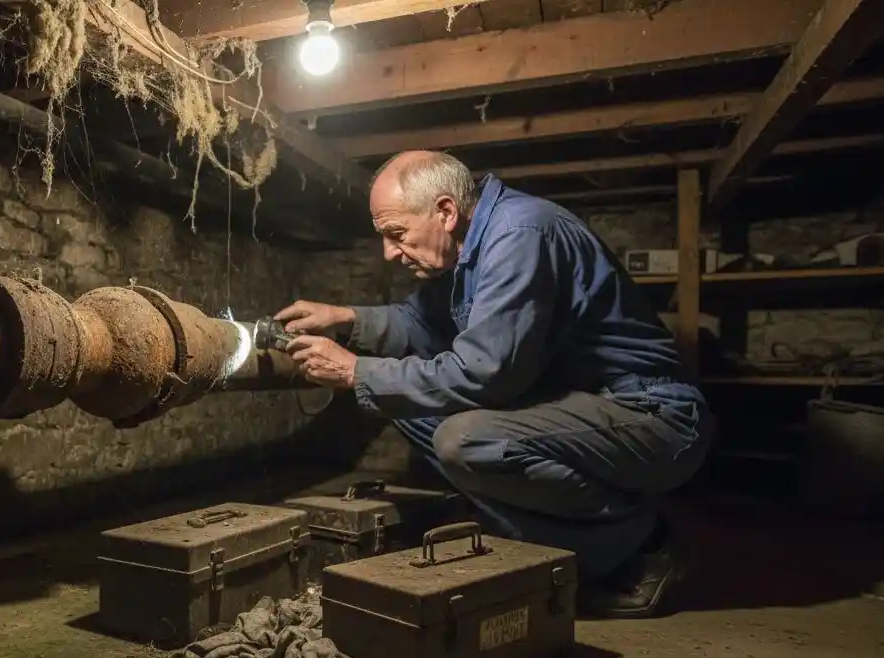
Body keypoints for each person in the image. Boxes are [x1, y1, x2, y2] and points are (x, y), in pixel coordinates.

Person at [276, 151, 713, 619]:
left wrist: (353, 372)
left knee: (463, 440)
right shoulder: (468, 247)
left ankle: (643, 545)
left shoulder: (519, 235)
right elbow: (419, 322)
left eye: (396, 235)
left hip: (652, 416)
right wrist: (344, 319)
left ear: (444, 211)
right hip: (582, 408)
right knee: (405, 404)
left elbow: (483, 373)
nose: (388, 252)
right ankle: (553, 534)